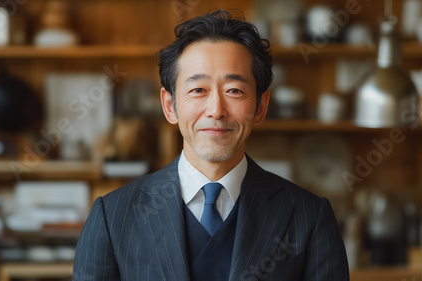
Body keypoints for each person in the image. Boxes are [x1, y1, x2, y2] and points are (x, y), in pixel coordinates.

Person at [72, 10, 349, 281]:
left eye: (234, 91)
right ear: (170, 106)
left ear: (261, 106)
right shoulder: (113, 217)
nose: (216, 110)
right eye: (198, 90)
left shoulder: (309, 217)